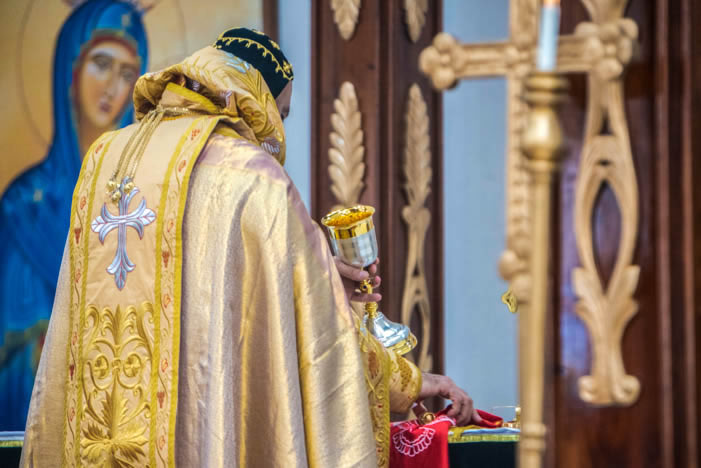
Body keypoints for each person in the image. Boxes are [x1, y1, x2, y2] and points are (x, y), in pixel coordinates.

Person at [21, 28, 478, 467]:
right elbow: (321, 343)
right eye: (281, 112)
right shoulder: (254, 177)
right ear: (255, 100)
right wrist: (413, 381)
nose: (276, 129)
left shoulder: (103, 159)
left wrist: (311, 278)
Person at [0, 0, 147, 431]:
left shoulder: (138, 201)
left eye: (127, 74)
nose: (112, 87)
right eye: (101, 64)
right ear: (71, 68)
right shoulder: (23, 208)